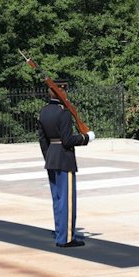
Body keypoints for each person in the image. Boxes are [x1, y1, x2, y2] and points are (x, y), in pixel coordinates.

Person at [37, 79, 95, 248]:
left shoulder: (44, 112)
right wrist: (86, 138)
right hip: (64, 159)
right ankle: (66, 238)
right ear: (62, 92)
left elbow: (43, 140)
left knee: (57, 199)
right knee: (67, 200)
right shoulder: (63, 113)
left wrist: (49, 157)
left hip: (51, 159)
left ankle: (60, 232)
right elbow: (68, 140)